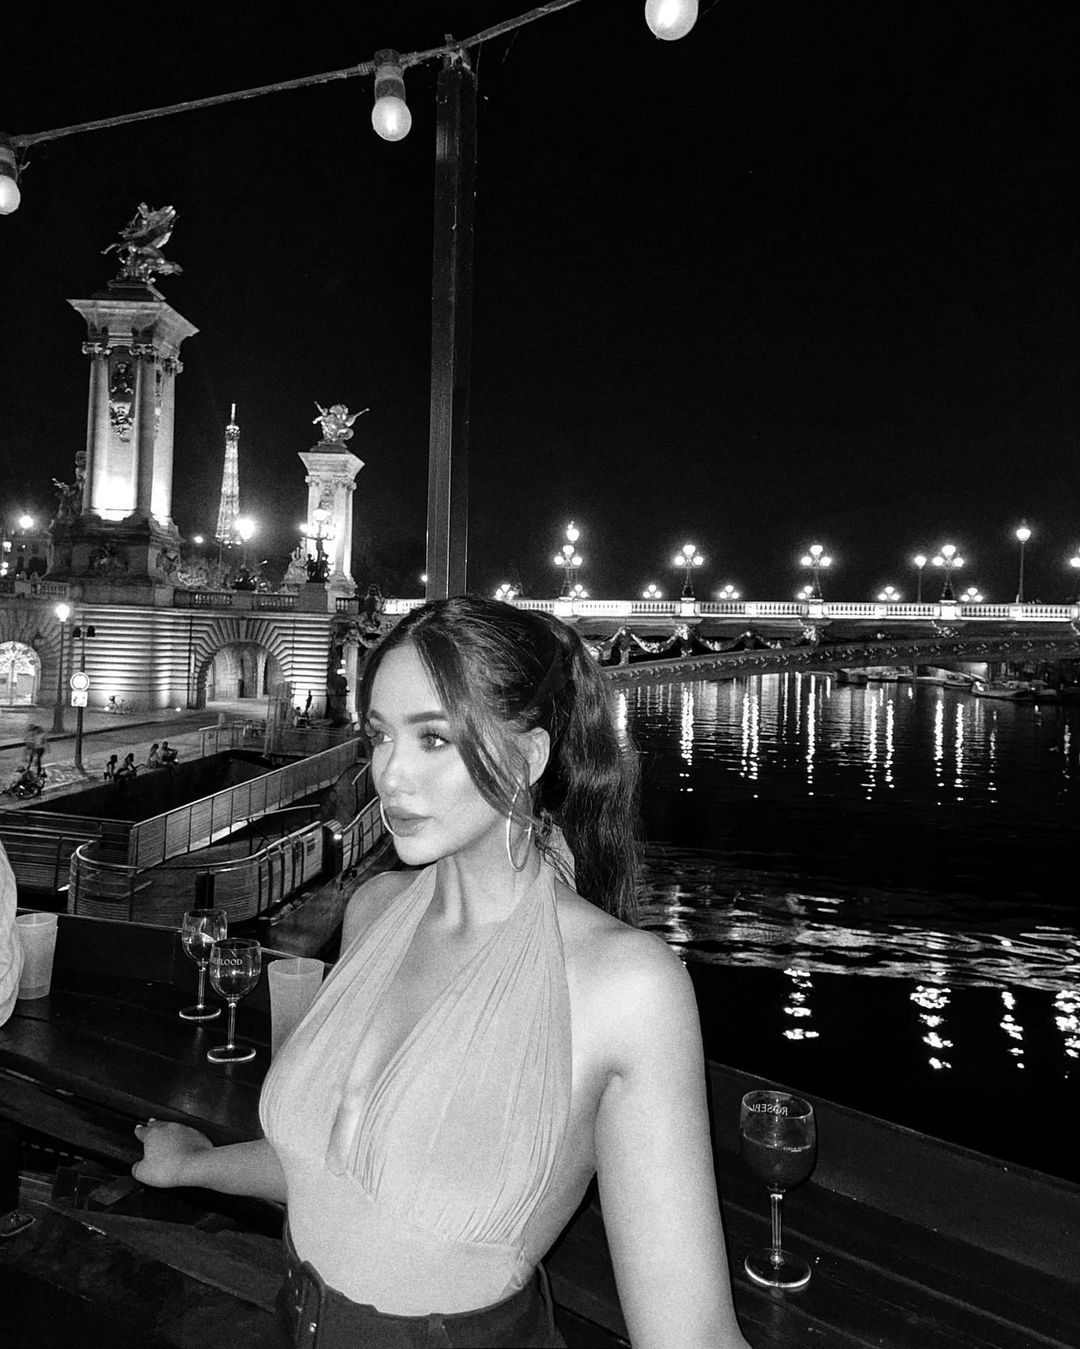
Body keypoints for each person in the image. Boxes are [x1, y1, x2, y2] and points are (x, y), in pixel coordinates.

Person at [133, 596, 751, 1349]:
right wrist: (198, 1166)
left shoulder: (625, 986)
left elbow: (691, 1334)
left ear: (528, 757)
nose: (389, 774)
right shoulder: (374, 911)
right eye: (380, 735)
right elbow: (338, 1170)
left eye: (433, 737)